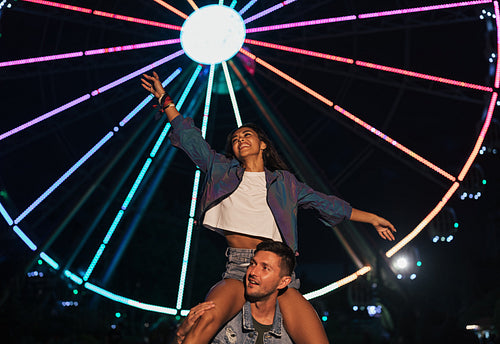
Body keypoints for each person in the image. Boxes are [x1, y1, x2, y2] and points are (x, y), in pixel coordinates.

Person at [141, 71, 396, 344]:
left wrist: (372, 218)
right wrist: (165, 100)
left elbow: (325, 203)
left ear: (262, 144)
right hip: (239, 266)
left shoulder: (285, 183)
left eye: (246, 134)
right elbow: (191, 140)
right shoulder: (220, 170)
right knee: (206, 321)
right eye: (235, 139)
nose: (240, 140)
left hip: (278, 269)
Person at [174, 241, 296, 344]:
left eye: (265, 268)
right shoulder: (224, 318)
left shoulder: (292, 332)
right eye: (252, 264)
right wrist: (179, 335)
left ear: (283, 282)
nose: (253, 272)